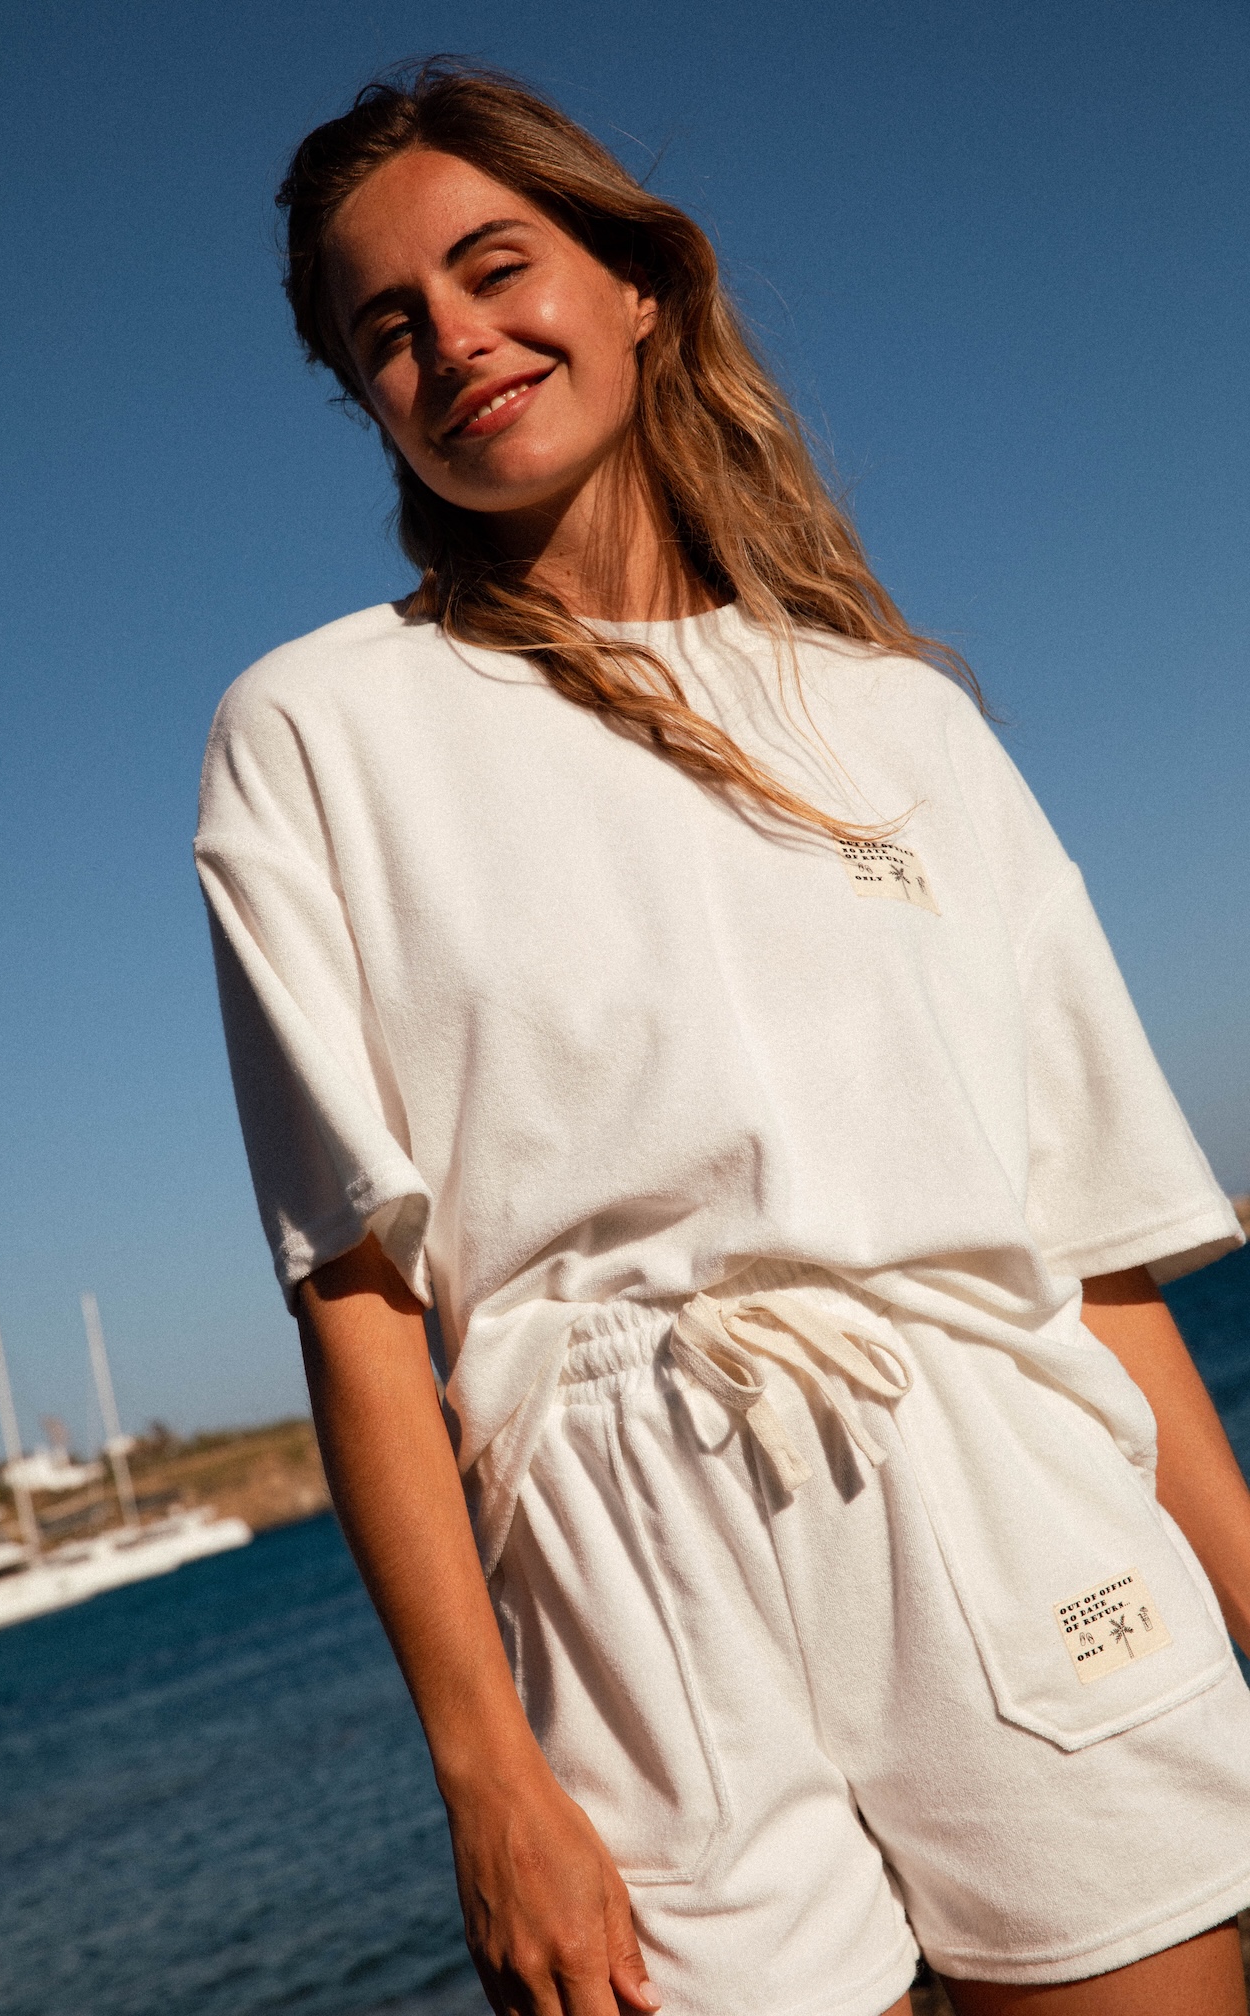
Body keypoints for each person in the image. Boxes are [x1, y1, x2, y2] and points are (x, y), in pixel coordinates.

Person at [195, 61, 1250, 2016]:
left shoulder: (902, 721)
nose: (455, 341)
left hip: (1003, 1484)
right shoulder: (315, 734)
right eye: (388, 328)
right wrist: (487, 1777)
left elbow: (1087, 1252)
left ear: (637, 286)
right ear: (364, 397)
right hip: (626, 1589)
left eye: (496, 267)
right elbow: (355, 1297)